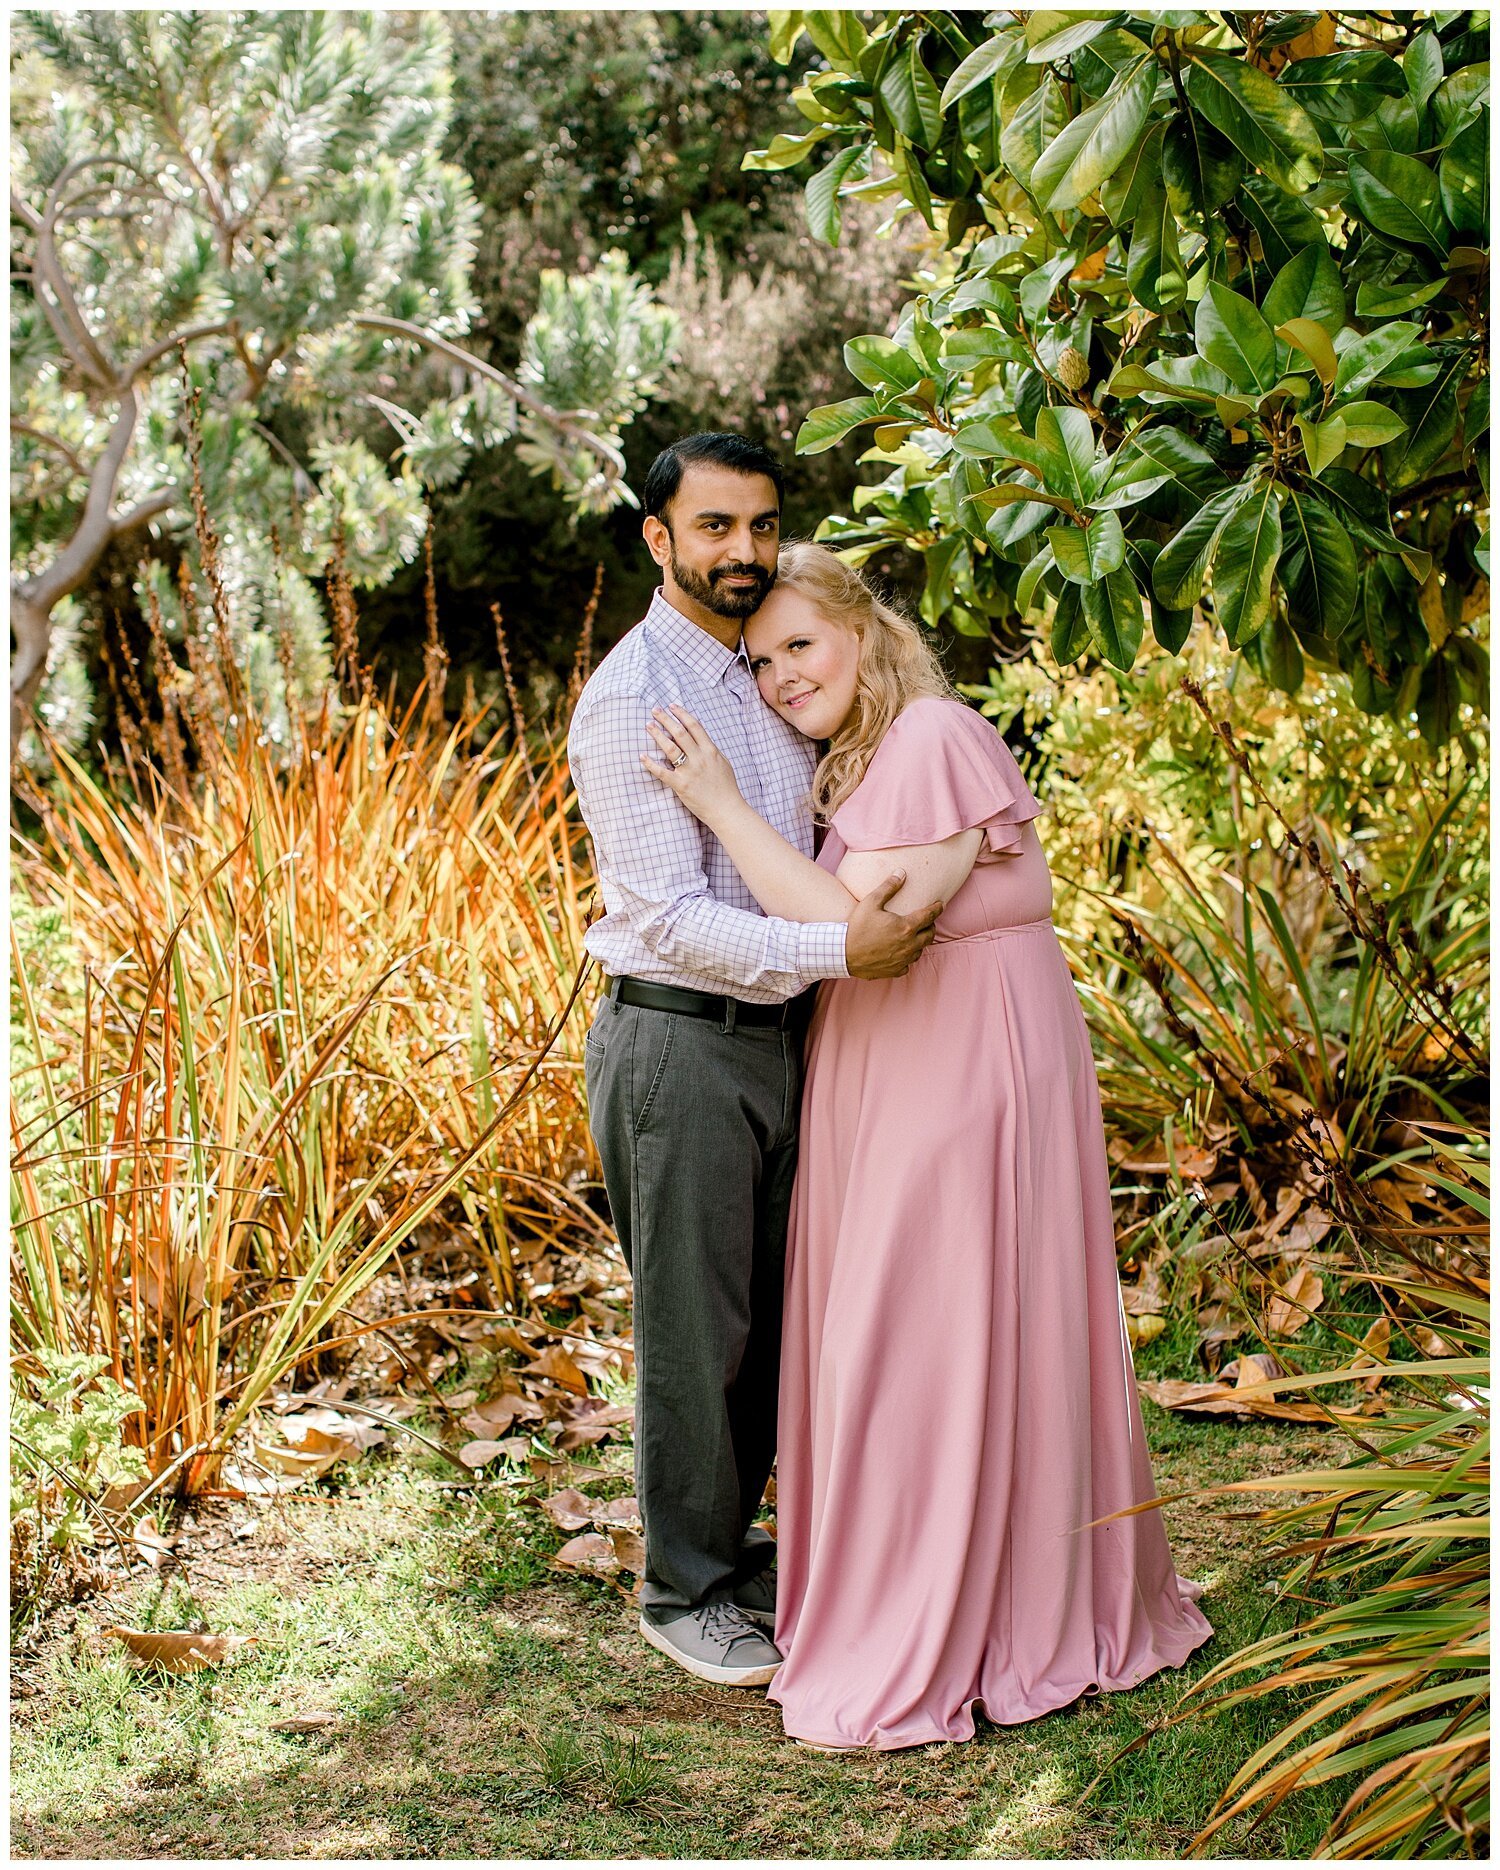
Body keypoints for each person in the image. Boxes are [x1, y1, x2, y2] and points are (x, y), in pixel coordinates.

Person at [641, 540, 1213, 1751]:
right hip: (887, 1059)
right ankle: (919, 1579)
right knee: (892, 1326)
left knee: (936, 1325)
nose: (783, 674)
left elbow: (865, 927)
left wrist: (723, 809)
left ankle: (975, 1605)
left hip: (962, 1053)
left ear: (867, 630)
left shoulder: (938, 737)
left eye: (803, 643)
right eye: (762, 659)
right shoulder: (862, 760)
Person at [567, 435, 944, 1689]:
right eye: (715, 526)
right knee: (698, 1327)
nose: (743, 550)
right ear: (659, 540)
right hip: (679, 1038)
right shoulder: (634, 700)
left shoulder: (763, 669)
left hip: (790, 1037)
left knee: (779, 1316)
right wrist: (840, 943)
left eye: (761, 526)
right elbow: (668, 916)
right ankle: (685, 1587)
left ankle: (741, 1550)